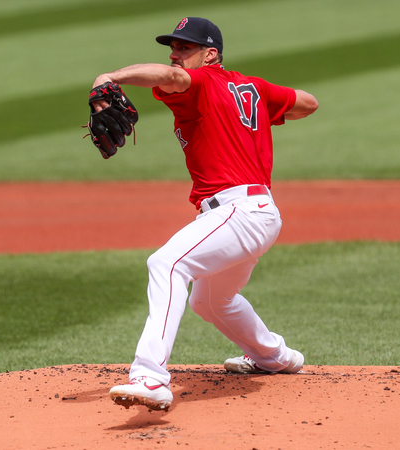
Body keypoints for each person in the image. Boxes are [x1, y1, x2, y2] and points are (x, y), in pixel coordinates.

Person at [91, 17, 319, 411]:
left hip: (239, 212)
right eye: (173, 48)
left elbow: (168, 76)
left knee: (166, 264)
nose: (175, 56)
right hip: (255, 212)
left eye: (184, 49)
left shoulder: (201, 82)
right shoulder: (253, 87)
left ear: (210, 54)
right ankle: (277, 357)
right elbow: (307, 102)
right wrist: (256, 111)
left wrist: (108, 76)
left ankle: (149, 377)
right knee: (211, 301)